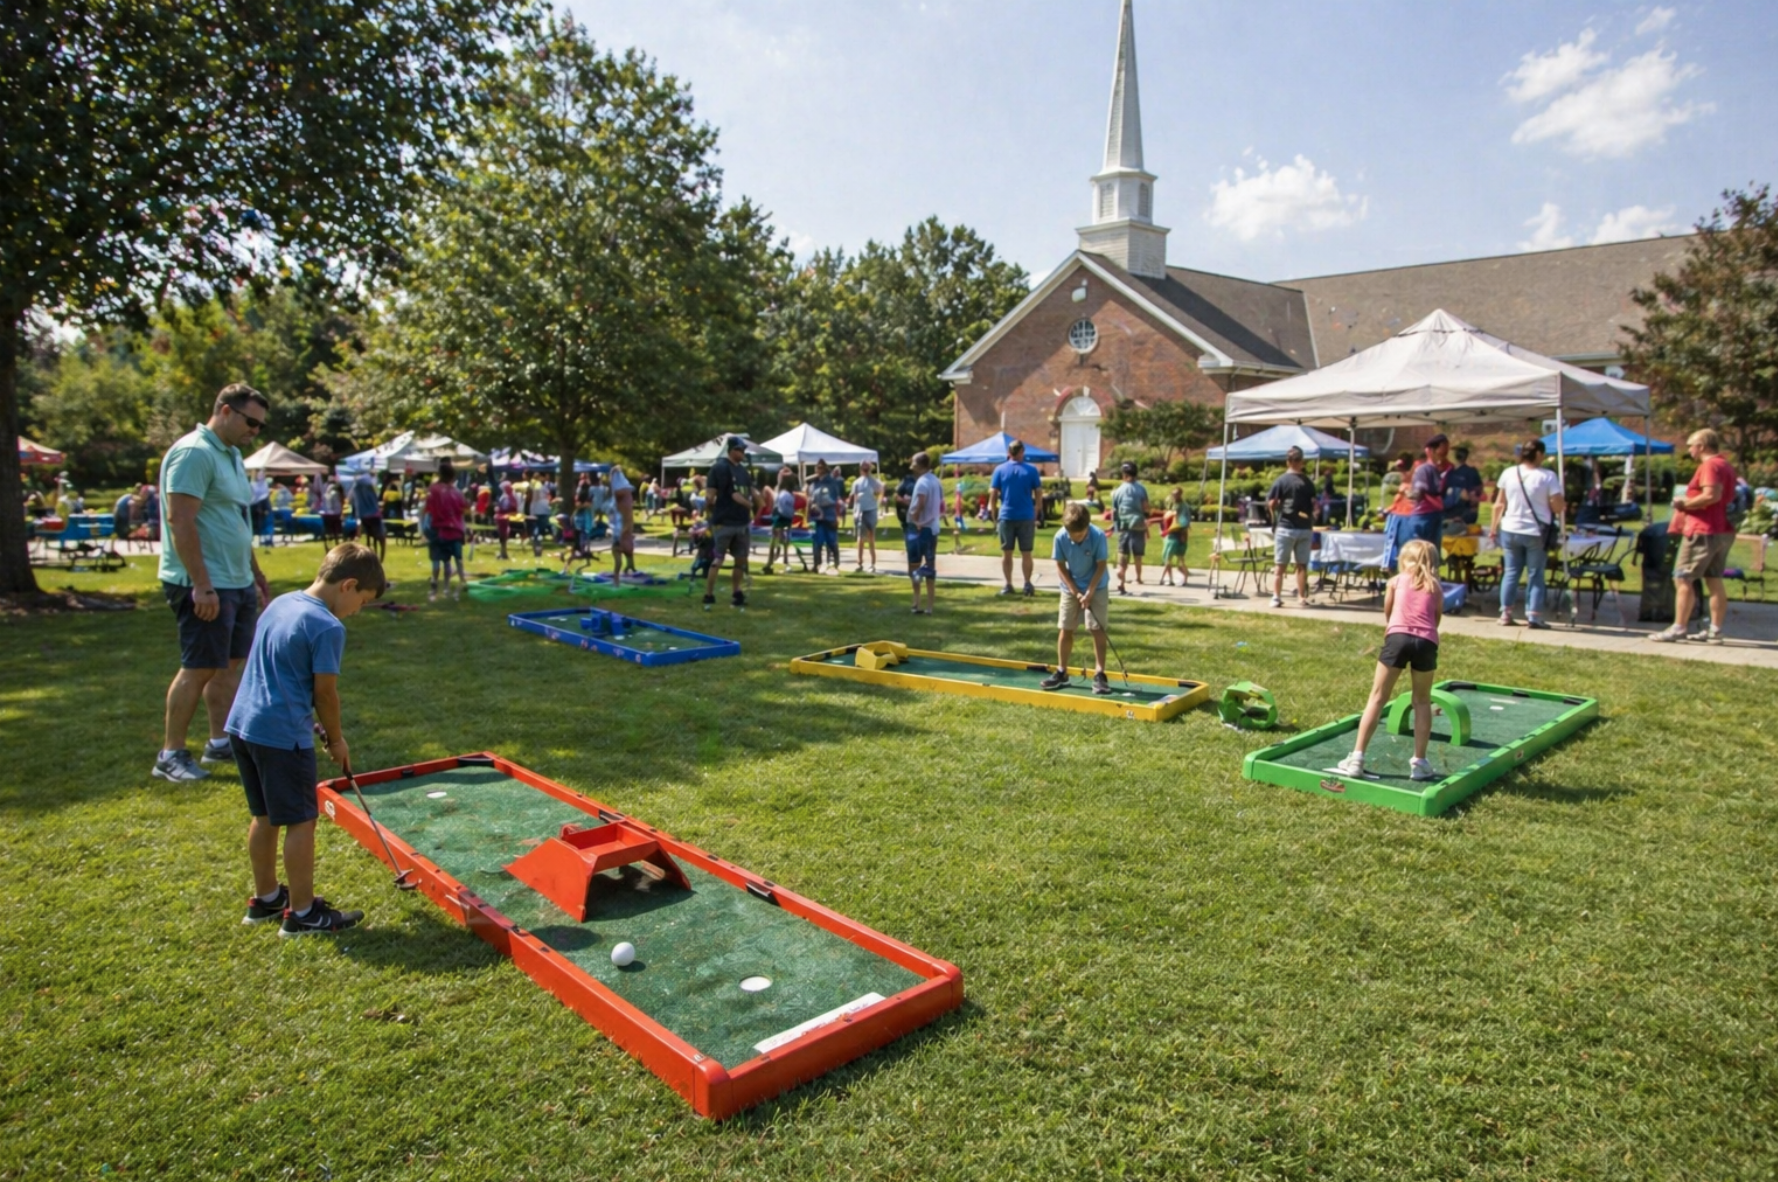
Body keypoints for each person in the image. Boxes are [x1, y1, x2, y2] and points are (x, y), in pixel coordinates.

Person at [227, 542, 386, 936]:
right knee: (301, 820)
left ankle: (266, 899)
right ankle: (302, 914)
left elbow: (280, 667)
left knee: (264, 816)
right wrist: (336, 740)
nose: (358, 611)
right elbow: (325, 693)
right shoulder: (328, 626)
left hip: (245, 725)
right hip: (283, 737)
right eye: (362, 601)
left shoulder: (281, 602)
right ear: (348, 585)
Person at [153, 383, 273, 784]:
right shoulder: (194, 452)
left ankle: (219, 741)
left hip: (235, 579)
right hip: (205, 582)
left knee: (229, 666)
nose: (255, 431)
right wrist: (201, 584)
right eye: (250, 422)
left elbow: (236, 519)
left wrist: (254, 573)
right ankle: (170, 754)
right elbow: (180, 520)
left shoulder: (233, 456)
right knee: (200, 666)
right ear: (224, 410)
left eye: (260, 425)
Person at [1332, 538, 1444, 782]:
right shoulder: (1435, 586)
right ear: (1433, 563)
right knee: (1422, 701)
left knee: (1377, 697)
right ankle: (1420, 763)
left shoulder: (1395, 581)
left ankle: (1357, 758)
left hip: (1397, 637)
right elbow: (1436, 619)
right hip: (1426, 641)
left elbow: (1389, 611)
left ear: (1404, 561)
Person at [1654, 428, 1738, 644]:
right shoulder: (1725, 464)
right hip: (1722, 530)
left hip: (1703, 530)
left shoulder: (1709, 465)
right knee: (1714, 579)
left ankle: (1679, 627)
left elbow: (1711, 495)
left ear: (1702, 446)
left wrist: (1683, 504)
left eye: (1691, 445)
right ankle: (1715, 630)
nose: (1689, 449)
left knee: (1682, 577)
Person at [1489, 437, 1564, 629]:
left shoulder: (1509, 473)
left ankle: (1505, 612)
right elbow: (1557, 507)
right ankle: (1534, 615)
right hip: (1535, 530)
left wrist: (1493, 528)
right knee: (1536, 573)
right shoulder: (1548, 476)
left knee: (1511, 572)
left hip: (1510, 527)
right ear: (1539, 454)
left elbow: (1499, 503)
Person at [1041, 501, 1112, 695]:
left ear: (1087, 527)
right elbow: (1061, 566)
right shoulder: (1060, 537)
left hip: (1097, 586)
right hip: (1070, 586)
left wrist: (1089, 591)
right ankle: (1062, 671)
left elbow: (1101, 565)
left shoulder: (1097, 535)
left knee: (1097, 628)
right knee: (1066, 627)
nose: (1078, 538)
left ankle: (1100, 673)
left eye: (1081, 534)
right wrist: (1075, 591)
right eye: (1075, 535)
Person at [703, 438, 755, 609]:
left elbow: (750, 492)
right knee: (718, 559)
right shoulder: (719, 468)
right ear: (732, 450)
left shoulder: (744, 472)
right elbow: (710, 495)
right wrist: (709, 507)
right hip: (724, 522)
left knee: (741, 560)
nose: (743, 453)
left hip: (742, 522)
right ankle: (709, 595)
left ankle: (736, 592)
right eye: (740, 450)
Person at [1386, 434, 1450, 568]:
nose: (1445, 453)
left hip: (1432, 516)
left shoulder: (1435, 470)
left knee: (1430, 556)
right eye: (1442, 449)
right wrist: (1407, 492)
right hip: (1424, 517)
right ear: (1430, 451)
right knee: (1421, 556)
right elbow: (1418, 494)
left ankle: (1428, 583)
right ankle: (1418, 584)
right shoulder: (1424, 469)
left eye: (1446, 449)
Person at [990, 440, 1044, 596]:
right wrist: (1037, 510)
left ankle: (1008, 584)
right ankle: (1027, 584)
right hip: (1026, 515)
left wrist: (994, 515)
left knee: (1007, 553)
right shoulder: (1031, 470)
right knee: (1026, 552)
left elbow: (993, 495)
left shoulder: (999, 469)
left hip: (1006, 515)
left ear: (1009, 452)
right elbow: (1039, 492)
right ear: (1022, 452)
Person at [1266, 446, 1317, 607]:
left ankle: (1276, 597)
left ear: (1287, 461)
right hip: (1304, 528)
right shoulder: (1308, 482)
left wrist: (1275, 512)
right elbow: (1315, 504)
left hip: (1285, 527)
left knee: (1280, 566)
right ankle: (1301, 597)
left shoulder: (1281, 481)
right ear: (1302, 462)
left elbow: (1272, 503)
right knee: (1301, 565)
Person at [424, 459, 468, 599]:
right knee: (454, 560)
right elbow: (464, 509)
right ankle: (449, 588)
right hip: (455, 530)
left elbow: (428, 509)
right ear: (453, 476)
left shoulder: (433, 490)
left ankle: (434, 586)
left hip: (438, 530)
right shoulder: (457, 492)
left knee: (437, 560)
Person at [905, 451, 943, 614]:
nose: (911, 465)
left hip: (920, 528)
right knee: (930, 566)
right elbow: (940, 503)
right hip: (933, 527)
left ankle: (916, 601)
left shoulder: (921, 482)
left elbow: (920, 502)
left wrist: (915, 519)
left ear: (920, 465)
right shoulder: (936, 481)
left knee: (914, 565)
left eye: (913, 462)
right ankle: (929, 606)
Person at [1110, 461, 1151, 594]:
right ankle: (1138, 578)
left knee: (1123, 552)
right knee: (1138, 554)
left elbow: (1114, 511)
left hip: (1124, 525)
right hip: (1138, 524)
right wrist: (1146, 517)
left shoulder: (1118, 491)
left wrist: (1115, 525)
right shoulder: (1141, 489)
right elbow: (1146, 507)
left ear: (1124, 474)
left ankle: (1121, 578)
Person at [806, 459, 845, 574]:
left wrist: (837, 517)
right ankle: (816, 565)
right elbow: (810, 500)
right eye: (817, 467)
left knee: (831, 542)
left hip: (829, 516)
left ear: (825, 468)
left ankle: (835, 564)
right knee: (816, 542)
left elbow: (836, 501)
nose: (818, 469)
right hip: (816, 517)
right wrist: (809, 515)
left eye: (821, 467)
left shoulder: (832, 482)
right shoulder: (813, 483)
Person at [850, 460, 885, 573]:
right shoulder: (857, 482)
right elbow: (855, 499)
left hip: (871, 511)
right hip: (860, 512)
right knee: (860, 538)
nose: (866, 469)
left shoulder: (874, 481)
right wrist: (855, 512)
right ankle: (859, 563)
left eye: (867, 467)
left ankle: (872, 563)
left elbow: (881, 492)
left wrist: (878, 502)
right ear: (860, 468)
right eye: (864, 467)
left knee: (871, 537)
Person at [1443, 444, 1484, 531]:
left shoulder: (1450, 472)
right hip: (1462, 513)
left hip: (1455, 513)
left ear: (1455, 456)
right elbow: (1478, 492)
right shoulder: (1470, 472)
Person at [609, 466, 638, 577]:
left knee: (619, 551)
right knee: (627, 549)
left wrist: (619, 537)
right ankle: (629, 567)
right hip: (622, 526)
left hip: (622, 528)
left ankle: (617, 576)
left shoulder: (621, 494)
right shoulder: (625, 494)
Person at [350, 471, 384, 561]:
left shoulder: (356, 486)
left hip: (363, 516)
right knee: (381, 535)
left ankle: (369, 552)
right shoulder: (369, 486)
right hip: (373, 515)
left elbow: (355, 502)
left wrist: (358, 515)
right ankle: (381, 558)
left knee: (369, 535)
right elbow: (374, 501)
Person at [1159, 505, 1190, 586]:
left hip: (1172, 540)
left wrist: (1164, 532)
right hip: (1179, 541)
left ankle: (1165, 579)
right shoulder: (1183, 519)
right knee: (1180, 561)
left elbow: (1168, 529)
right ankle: (1185, 579)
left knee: (1168, 560)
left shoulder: (1172, 516)